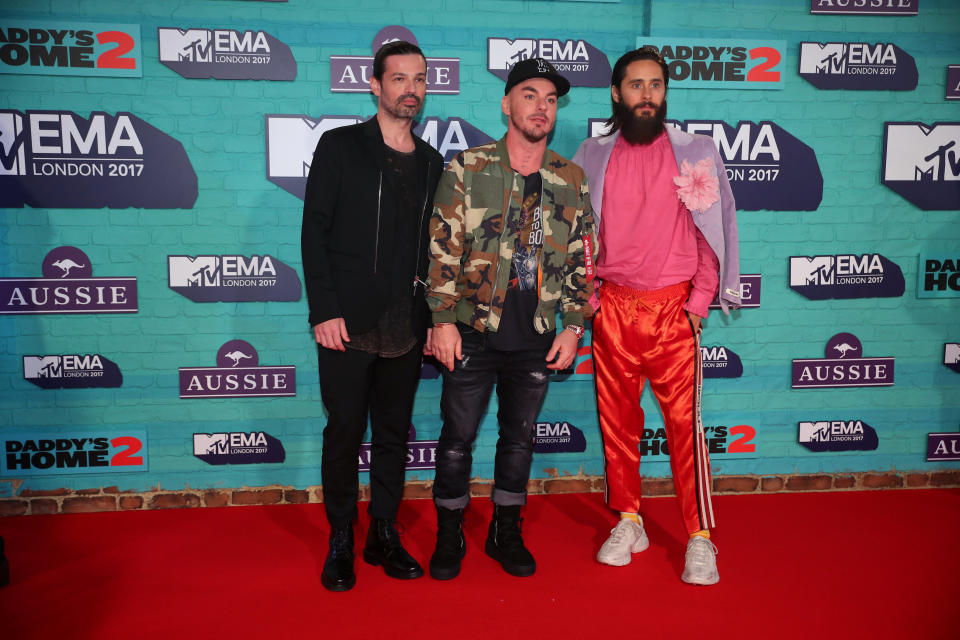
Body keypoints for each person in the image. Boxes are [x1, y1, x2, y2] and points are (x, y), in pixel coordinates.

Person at [572, 46, 740, 585]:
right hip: (614, 308)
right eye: (636, 85)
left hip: (673, 310)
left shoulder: (695, 151)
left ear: (665, 94)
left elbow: (711, 231)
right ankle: (629, 519)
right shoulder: (591, 153)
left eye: (656, 86)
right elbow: (578, 234)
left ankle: (700, 537)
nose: (647, 95)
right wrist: (591, 300)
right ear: (616, 93)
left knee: (684, 429)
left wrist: (698, 302)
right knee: (617, 426)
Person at [426, 58, 597, 580]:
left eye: (549, 98)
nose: (540, 106)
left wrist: (573, 326)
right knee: (456, 439)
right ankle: (450, 530)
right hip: (472, 332)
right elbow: (441, 249)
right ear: (507, 104)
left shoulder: (571, 179)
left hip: (537, 337)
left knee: (519, 439)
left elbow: (582, 260)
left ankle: (506, 529)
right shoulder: (467, 168)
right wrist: (441, 319)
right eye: (529, 95)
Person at [300, 40, 444, 592]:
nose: (410, 88)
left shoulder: (433, 163)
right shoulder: (340, 147)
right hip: (346, 324)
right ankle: (341, 537)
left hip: (405, 327)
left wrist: (432, 320)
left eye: (419, 79)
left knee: (392, 435)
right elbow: (314, 232)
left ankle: (383, 532)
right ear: (376, 85)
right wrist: (325, 309)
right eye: (399, 78)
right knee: (342, 434)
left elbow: (437, 252)